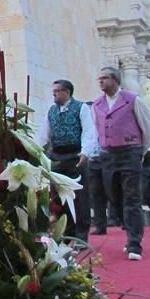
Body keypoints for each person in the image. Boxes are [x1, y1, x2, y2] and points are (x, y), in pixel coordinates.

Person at [92, 66, 150, 260]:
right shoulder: (97, 104)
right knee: (114, 196)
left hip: (130, 152)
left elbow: (147, 126)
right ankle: (128, 224)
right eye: (99, 78)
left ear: (115, 80)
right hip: (108, 154)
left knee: (132, 199)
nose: (100, 81)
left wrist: (140, 151)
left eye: (104, 78)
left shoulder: (133, 99)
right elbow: (97, 128)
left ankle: (134, 244)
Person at [35, 79, 97, 242]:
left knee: (80, 197)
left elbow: (89, 131)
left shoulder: (81, 108)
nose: (54, 94)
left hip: (75, 156)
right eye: (53, 91)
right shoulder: (51, 111)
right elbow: (44, 134)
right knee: (58, 197)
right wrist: (36, 152)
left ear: (67, 92)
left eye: (57, 90)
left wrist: (85, 152)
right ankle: (65, 233)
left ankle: (82, 235)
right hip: (56, 158)